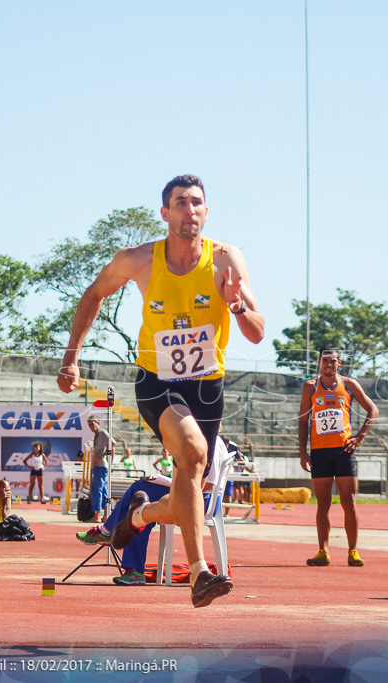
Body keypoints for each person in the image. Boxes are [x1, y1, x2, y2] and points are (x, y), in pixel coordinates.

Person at [57, 175, 264, 608]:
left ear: (206, 212)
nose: (190, 209)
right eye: (181, 202)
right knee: (190, 454)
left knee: (192, 491)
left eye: (197, 203)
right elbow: (93, 295)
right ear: (165, 213)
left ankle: (139, 514)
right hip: (158, 383)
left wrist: (236, 305)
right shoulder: (139, 260)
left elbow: (258, 332)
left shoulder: (226, 261)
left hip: (208, 388)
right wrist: (71, 358)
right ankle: (201, 574)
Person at [76, 434, 232, 586]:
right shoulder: (206, 439)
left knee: (139, 492)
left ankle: (110, 534)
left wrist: (172, 485)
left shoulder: (208, 441)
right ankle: (126, 558)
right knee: (141, 500)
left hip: (200, 500)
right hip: (195, 497)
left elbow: (207, 484)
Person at [298, 346, 379, 568]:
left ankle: (353, 550)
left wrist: (360, 437)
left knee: (348, 501)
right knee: (323, 502)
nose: (329, 364)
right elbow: (303, 420)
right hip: (320, 451)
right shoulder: (310, 387)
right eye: (325, 360)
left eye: (333, 360)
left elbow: (373, 410)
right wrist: (303, 451)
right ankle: (323, 551)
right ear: (319, 362)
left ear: (339, 362)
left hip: (344, 451)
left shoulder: (350, 385)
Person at [86, 415, 111, 523]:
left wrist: (104, 456)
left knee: (97, 490)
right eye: (89, 425)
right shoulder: (97, 435)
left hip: (100, 466)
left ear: (98, 423)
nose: (91, 426)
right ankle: (105, 514)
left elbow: (112, 443)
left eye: (93, 424)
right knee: (103, 490)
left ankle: (97, 515)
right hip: (98, 466)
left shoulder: (102, 433)